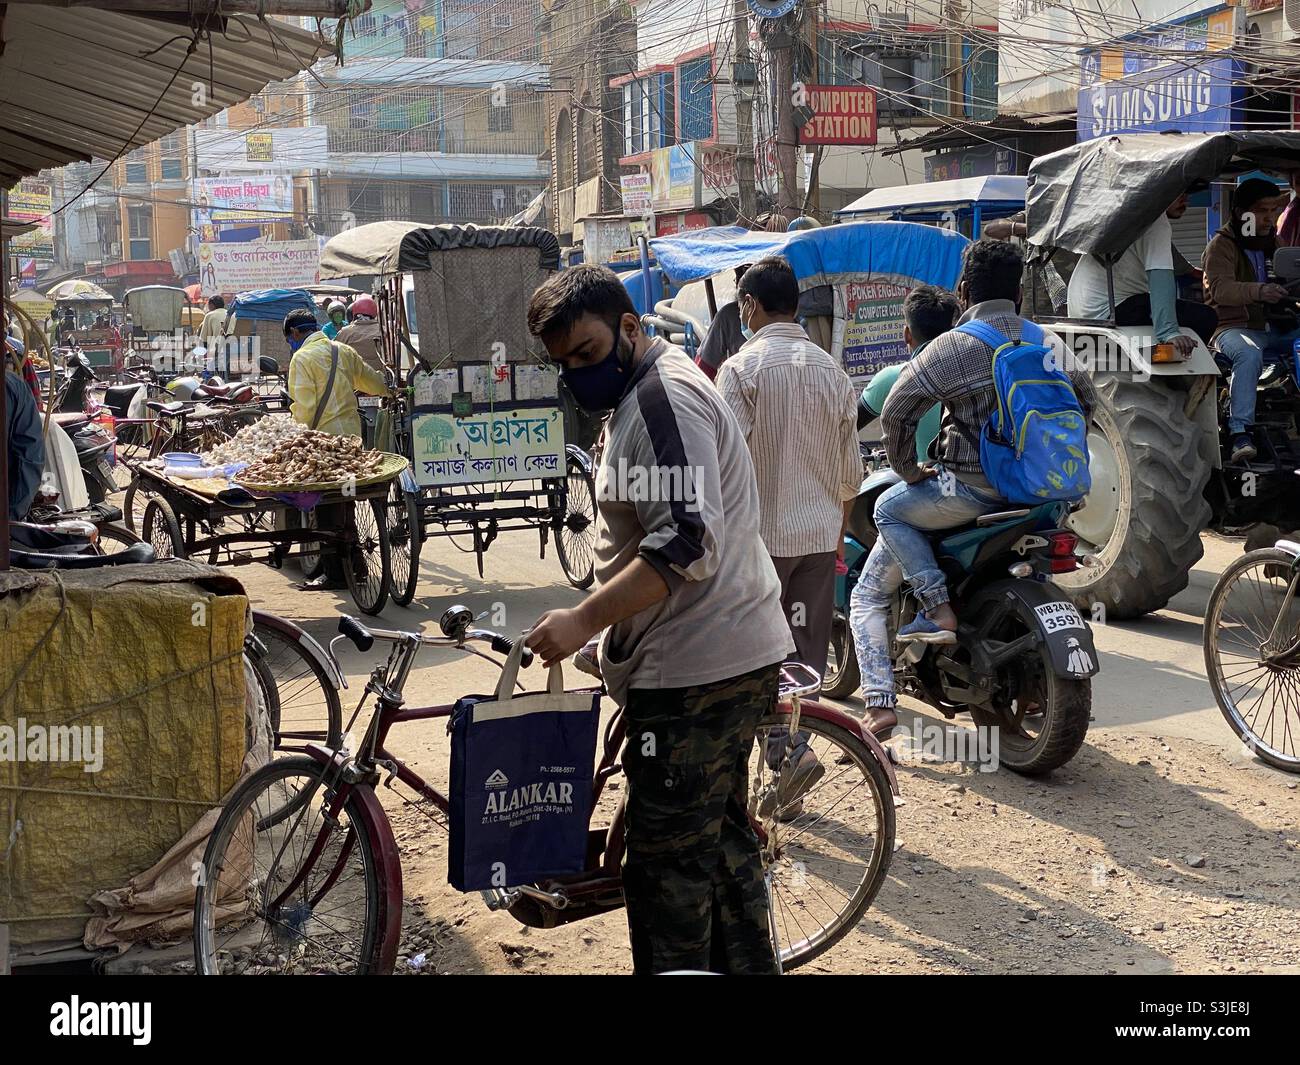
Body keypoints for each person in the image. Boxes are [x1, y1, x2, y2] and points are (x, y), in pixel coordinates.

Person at [522, 264, 793, 976]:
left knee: (667, 877)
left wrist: (584, 619)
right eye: (563, 364)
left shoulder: (661, 398)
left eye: (586, 352)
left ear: (629, 327)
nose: (577, 374)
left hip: (698, 671)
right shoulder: (643, 391)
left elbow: (686, 543)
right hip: (716, 658)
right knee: (722, 855)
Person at [849, 240, 1096, 714]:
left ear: (964, 291)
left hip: (972, 492)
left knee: (887, 510)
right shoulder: (1049, 341)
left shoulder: (953, 345)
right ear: (1018, 293)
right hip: (1045, 495)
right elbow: (1085, 404)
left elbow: (897, 413)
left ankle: (935, 607)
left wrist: (908, 470)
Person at [715, 256, 860, 710]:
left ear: (750, 304)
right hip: (818, 540)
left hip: (759, 543)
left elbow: (719, 464)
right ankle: (798, 736)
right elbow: (850, 477)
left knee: (754, 654)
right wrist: (837, 539)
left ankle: (774, 741)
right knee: (805, 657)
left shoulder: (740, 370)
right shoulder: (833, 373)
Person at [283, 307, 390, 589]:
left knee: (328, 507)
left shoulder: (302, 358)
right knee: (346, 501)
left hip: (324, 446)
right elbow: (373, 382)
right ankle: (355, 565)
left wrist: (292, 440)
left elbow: (304, 408)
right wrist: (391, 389)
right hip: (351, 443)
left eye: (289, 338)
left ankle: (336, 573)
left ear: (294, 333)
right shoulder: (343, 350)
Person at [1203, 177, 1297, 463]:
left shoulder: (1276, 243)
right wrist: (1260, 291)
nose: (1269, 217)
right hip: (1231, 327)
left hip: (1275, 326)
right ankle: (1239, 431)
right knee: (1248, 353)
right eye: (1261, 211)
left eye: (1273, 210)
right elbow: (1220, 290)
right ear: (1241, 212)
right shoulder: (1221, 246)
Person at [1067, 192, 1217, 349]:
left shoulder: (1130, 212)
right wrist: (1169, 332)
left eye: (1187, 192)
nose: (1185, 198)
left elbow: (1177, 263)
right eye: (1177, 192)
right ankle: (1185, 363)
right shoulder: (1156, 220)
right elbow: (1161, 277)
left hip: (1081, 310)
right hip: (1110, 310)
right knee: (1205, 317)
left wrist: (1203, 275)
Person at [856, 285, 960, 457]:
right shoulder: (970, 372)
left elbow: (847, 426)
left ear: (907, 334)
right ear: (953, 331)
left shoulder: (891, 378)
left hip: (914, 472)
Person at [694, 266, 747, 381]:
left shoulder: (730, 315)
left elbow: (702, 375)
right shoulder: (729, 315)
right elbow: (702, 373)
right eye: (737, 278)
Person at [6, 367, 45, 520]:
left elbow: (29, 457)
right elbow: (30, 458)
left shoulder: (12, 387)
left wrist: (13, 516)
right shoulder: (13, 385)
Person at [335, 295, 384, 374]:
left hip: (353, 378)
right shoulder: (384, 331)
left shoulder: (345, 332)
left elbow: (334, 354)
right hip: (380, 378)